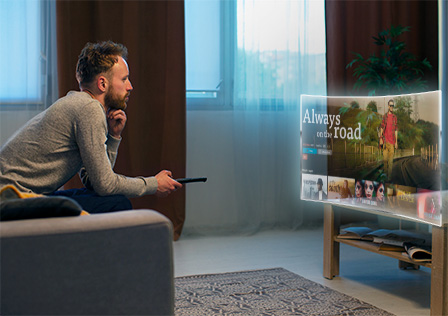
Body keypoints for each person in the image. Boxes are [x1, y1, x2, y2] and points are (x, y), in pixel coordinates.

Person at [0, 41, 182, 213]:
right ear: (102, 83)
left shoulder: (81, 105)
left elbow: (94, 182)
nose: (130, 87)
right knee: (117, 203)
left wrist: (113, 137)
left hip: (19, 196)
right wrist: (153, 184)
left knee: (107, 197)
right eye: (124, 79)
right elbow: (106, 185)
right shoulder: (89, 109)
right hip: (11, 200)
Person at [380, 99, 398, 181]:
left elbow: (396, 130)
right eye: (390, 105)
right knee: (385, 161)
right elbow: (382, 127)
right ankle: (385, 175)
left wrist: (396, 142)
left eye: (393, 105)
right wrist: (380, 138)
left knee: (390, 162)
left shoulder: (395, 117)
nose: (392, 107)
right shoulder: (385, 116)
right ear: (388, 106)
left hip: (392, 143)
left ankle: (388, 178)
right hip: (385, 142)